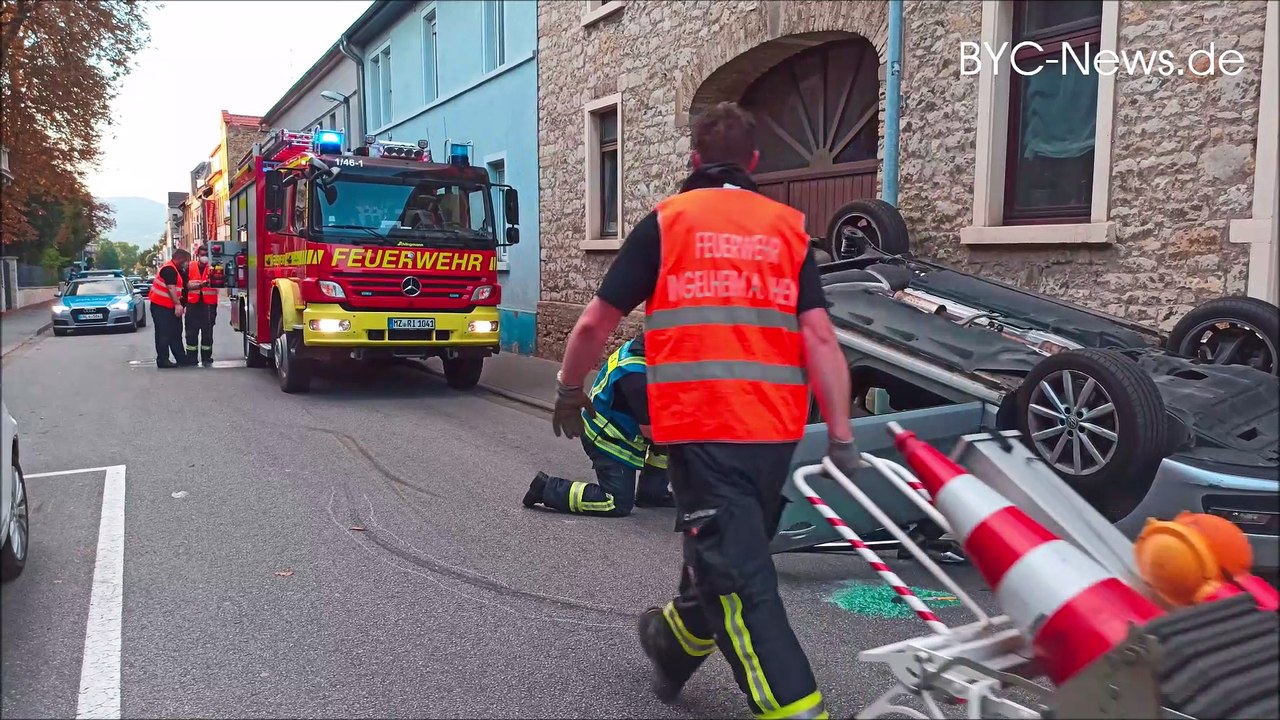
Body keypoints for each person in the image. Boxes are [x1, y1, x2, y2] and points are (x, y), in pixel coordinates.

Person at [550, 102, 857, 720]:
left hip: (701, 431)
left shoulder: (669, 223)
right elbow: (821, 339)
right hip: (774, 434)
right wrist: (842, 434)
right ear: (754, 163)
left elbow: (593, 323)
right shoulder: (787, 230)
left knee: (741, 579)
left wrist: (568, 388)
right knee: (733, 551)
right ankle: (671, 642)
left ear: (693, 159)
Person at [524, 334, 673, 517]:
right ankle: (547, 488)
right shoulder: (636, 376)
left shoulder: (647, 348)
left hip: (624, 428)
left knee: (673, 436)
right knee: (616, 503)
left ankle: (653, 493)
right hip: (607, 440)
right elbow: (651, 431)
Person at [148, 249, 192, 368]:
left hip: (169, 307)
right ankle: (162, 360)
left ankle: (181, 358)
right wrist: (178, 304)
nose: (187, 263)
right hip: (161, 307)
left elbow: (182, 287)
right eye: (186, 261)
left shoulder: (177, 270)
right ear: (180, 259)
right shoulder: (169, 269)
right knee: (163, 334)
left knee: (176, 333)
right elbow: (171, 288)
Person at [184, 245, 219, 366]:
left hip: (209, 304)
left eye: (206, 255)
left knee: (207, 333)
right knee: (191, 333)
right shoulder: (190, 266)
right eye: (202, 254)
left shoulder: (214, 267)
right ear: (197, 255)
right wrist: (201, 285)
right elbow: (185, 284)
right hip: (193, 304)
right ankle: (191, 358)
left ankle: (206, 357)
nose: (204, 257)